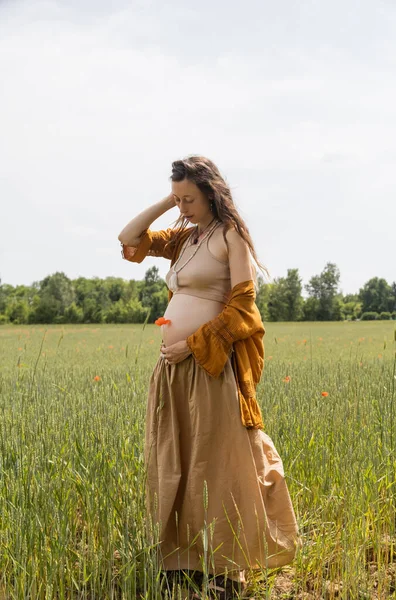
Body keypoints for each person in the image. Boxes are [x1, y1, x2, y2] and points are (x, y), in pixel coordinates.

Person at [118, 156, 300, 599]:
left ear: (212, 192)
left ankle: (229, 568)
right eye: (178, 198)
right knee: (178, 462)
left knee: (221, 464)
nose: (184, 205)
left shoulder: (229, 237)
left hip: (211, 365)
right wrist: (171, 199)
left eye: (190, 198)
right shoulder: (186, 237)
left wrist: (192, 344)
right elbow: (129, 238)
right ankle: (182, 559)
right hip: (174, 370)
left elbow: (244, 309)